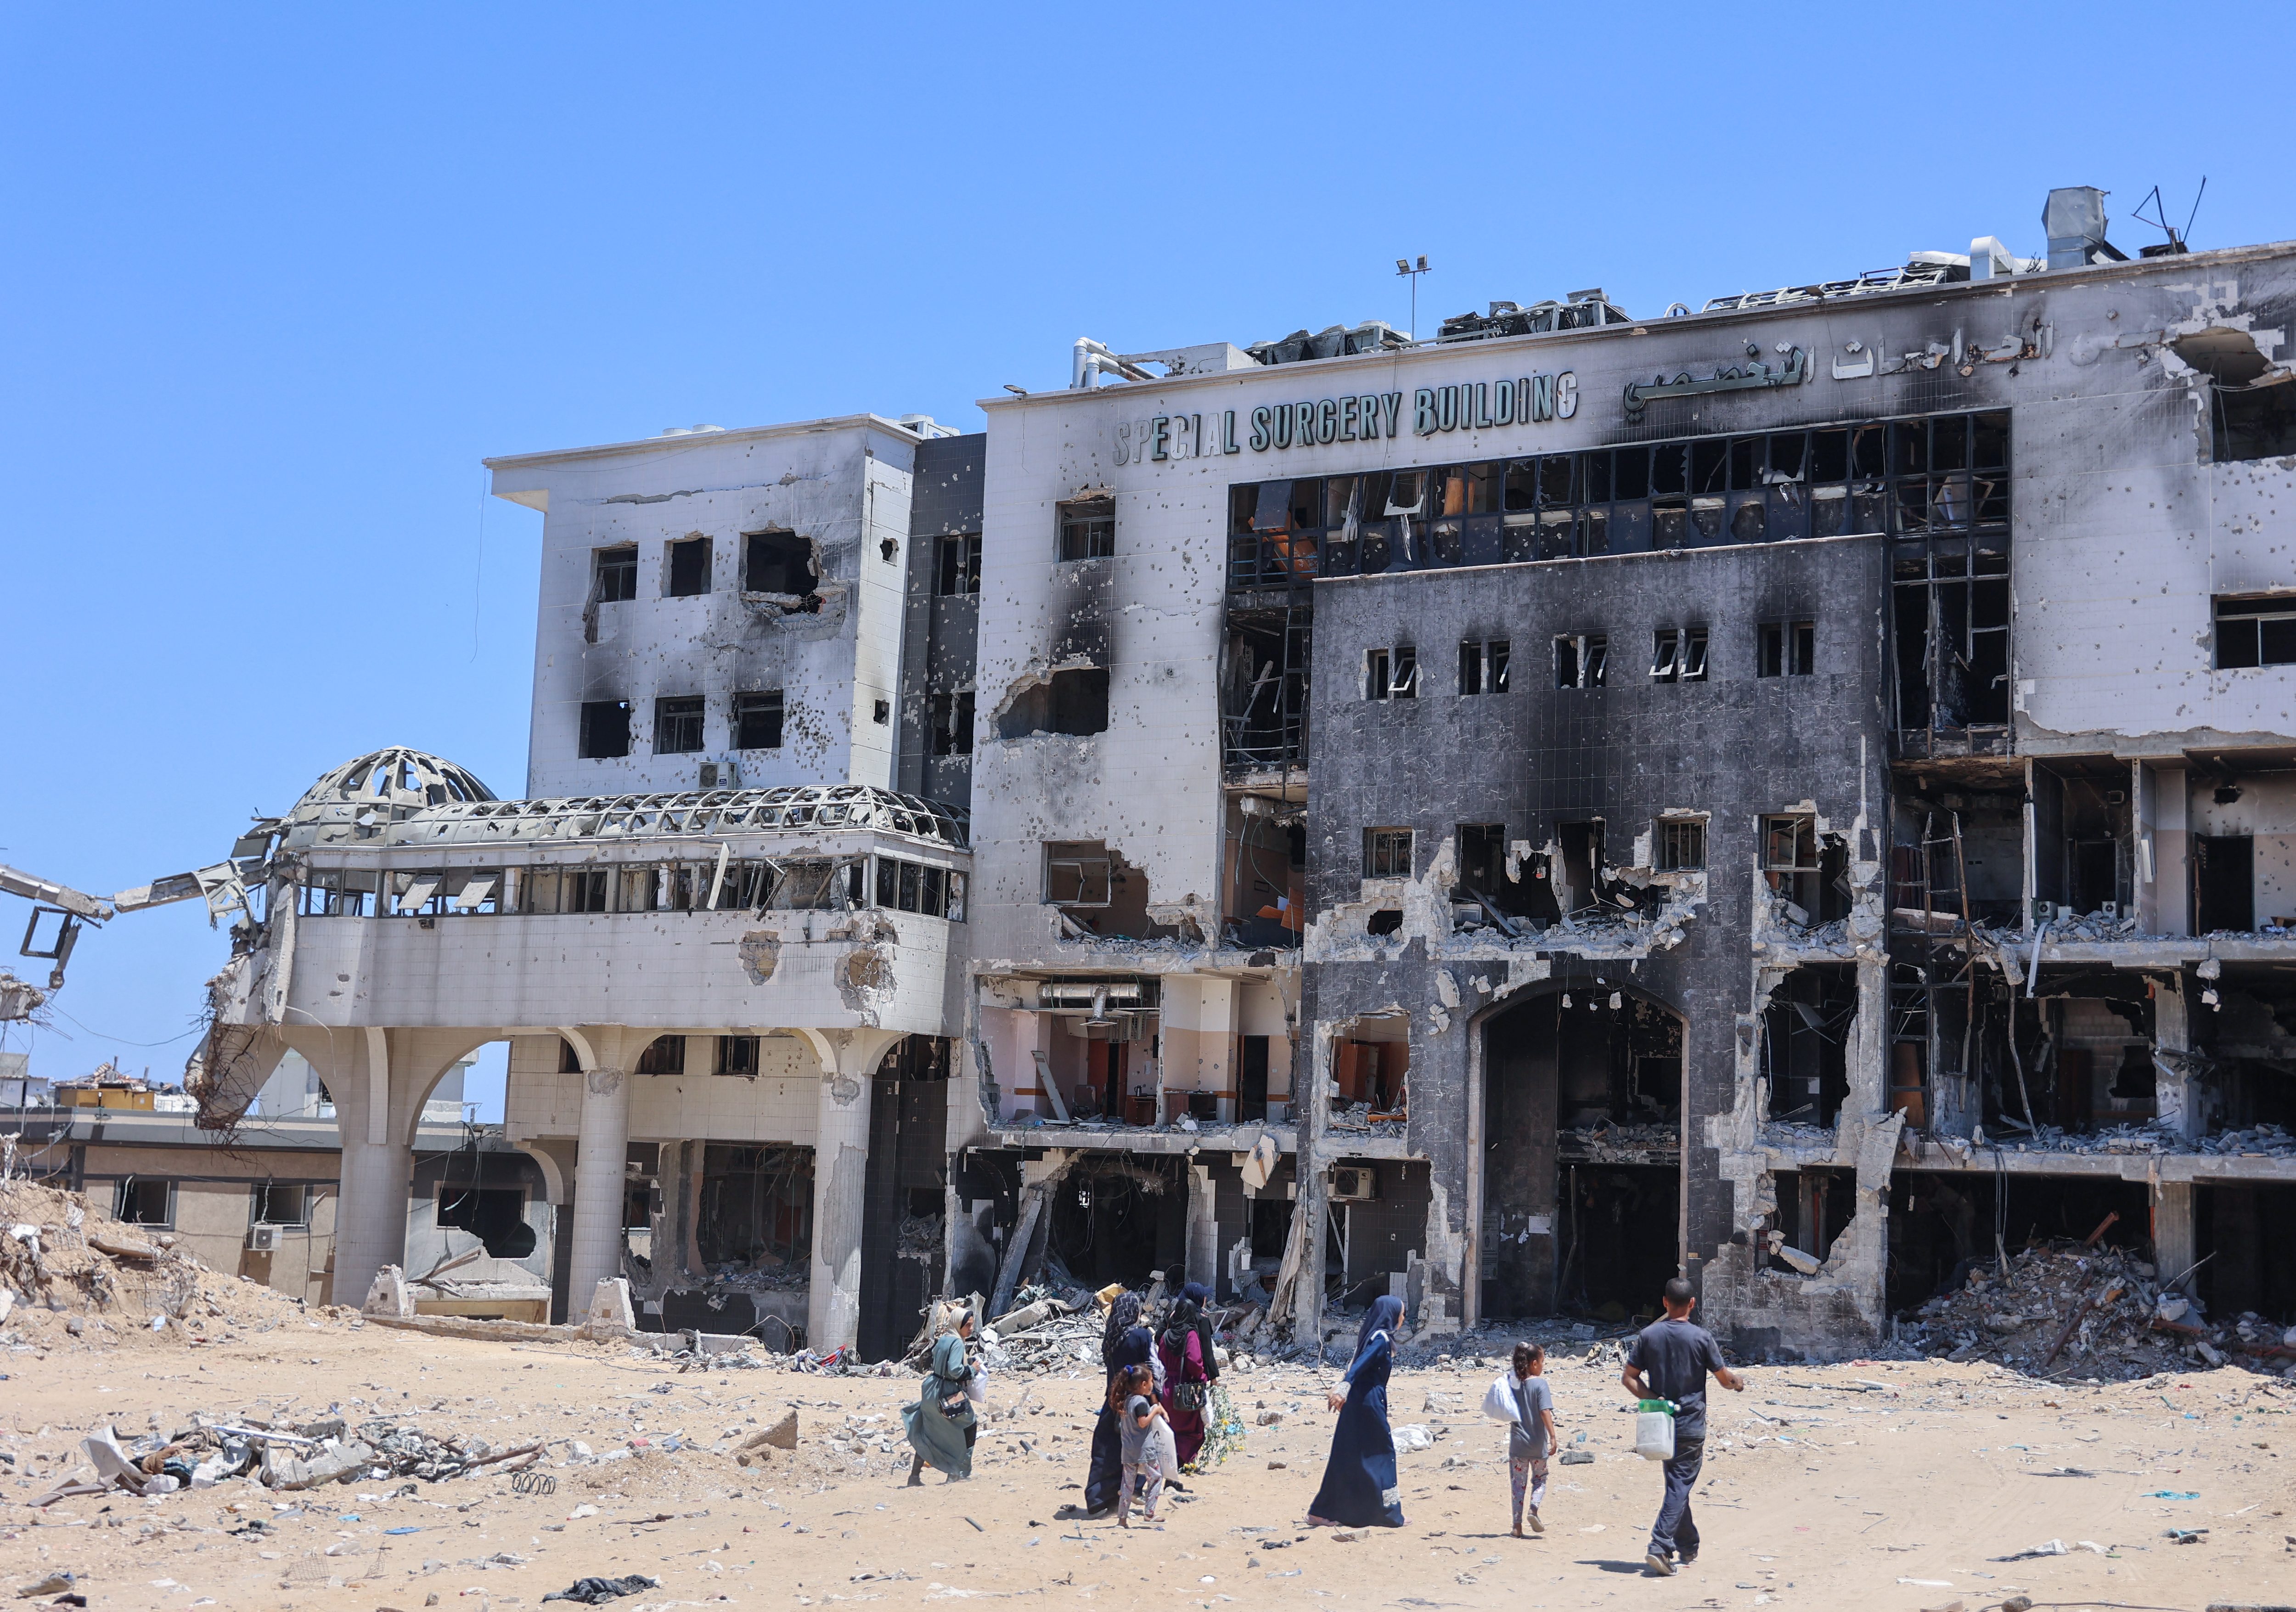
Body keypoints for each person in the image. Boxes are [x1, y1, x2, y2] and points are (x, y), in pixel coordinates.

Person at [1620, 1276, 1745, 1576]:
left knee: (1677, 1486)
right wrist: (1738, 1383)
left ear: (1665, 1302)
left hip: (1661, 1425)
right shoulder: (1701, 1338)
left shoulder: (1648, 1336)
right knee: (1679, 1487)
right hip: (1690, 1425)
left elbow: (1629, 1378)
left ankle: (1688, 1546)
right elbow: (1724, 1379)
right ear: (1692, 1303)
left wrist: (1656, 1400)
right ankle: (1660, 1546)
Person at [1306, 1294, 1406, 1528]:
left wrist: (1346, 1387)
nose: (1403, 1319)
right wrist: (1345, 1385)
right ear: (1392, 1315)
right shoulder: (1381, 1339)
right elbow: (1362, 1364)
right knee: (1383, 1453)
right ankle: (1390, 1513)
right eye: (1402, 1314)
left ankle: (1320, 1512)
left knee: (1348, 1455)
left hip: (1359, 1402)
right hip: (1368, 1404)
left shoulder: (1373, 1335)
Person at [1085, 1291, 1152, 1515]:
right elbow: (1152, 1367)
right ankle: (1134, 1491)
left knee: (1106, 1450)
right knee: (1137, 1448)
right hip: (1137, 1402)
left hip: (1113, 1401)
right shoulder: (1141, 1335)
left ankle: (1099, 1497)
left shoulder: (1111, 1337)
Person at [903, 1305, 981, 1484]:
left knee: (928, 1433)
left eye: (972, 1325)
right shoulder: (957, 1343)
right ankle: (956, 1473)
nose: (971, 1329)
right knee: (967, 1427)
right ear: (958, 1324)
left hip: (932, 1389)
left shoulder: (944, 1339)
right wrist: (972, 1369)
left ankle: (914, 1477)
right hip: (947, 1393)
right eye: (968, 1325)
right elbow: (954, 1370)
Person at [1178, 1280, 1244, 1470]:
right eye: (1204, 1296)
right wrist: (1213, 1379)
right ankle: (1187, 1460)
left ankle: (1177, 1457)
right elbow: (1206, 1352)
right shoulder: (1201, 1320)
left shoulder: (1174, 1317)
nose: (1207, 1299)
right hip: (1194, 1377)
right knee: (1195, 1420)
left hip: (1173, 1377)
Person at [1505, 1341, 1559, 1537]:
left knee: (1517, 1486)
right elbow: (1545, 1411)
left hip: (1518, 1446)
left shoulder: (1512, 1384)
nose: (1543, 1366)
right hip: (1537, 1445)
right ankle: (1533, 1509)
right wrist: (1553, 1436)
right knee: (1540, 1480)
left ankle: (1517, 1527)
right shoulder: (1540, 1384)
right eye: (1543, 1362)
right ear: (1534, 1364)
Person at [1112, 1363, 1174, 1527]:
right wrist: (1156, 1411)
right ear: (1144, 1384)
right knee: (1156, 1478)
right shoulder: (1141, 1402)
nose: (1153, 1385)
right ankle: (1149, 1514)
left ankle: (1122, 1519)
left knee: (1127, 1485)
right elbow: (1143, 1423)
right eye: (1152, 1381)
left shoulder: (1127, 1401)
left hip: (1128, 1451)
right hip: (1144, 1451)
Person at [1157, 1296, 1210, 1467]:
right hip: (1185, 1389)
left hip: (1166, 1389)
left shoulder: (1166, 1335)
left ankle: (1168, 1461)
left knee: (1169, 1427)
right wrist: (1202, 1377)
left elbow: (1159, 1360)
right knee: (1193, 1430)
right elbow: (1194, 1362)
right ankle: (1180, 1461)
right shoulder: (1191, 1335)